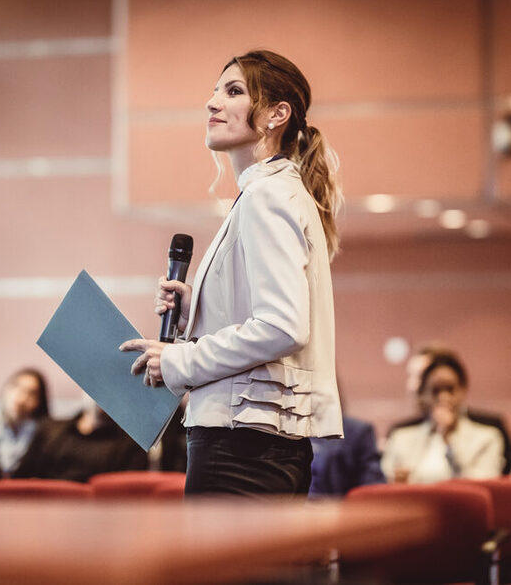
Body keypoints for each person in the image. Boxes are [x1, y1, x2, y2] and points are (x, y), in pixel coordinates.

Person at [121, 49, 344, 497]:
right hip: (253, 442)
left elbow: (283, 326)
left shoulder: (267, 195)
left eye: (234, 91)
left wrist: (179, 360)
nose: (212, 102)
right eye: (215, 90)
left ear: (277, 114)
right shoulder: (273, 191)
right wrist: (196, 312)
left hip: (242, 445)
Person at [388, 344, 511, 474]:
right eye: (435, 390)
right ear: (424, 392)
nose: (444, 397)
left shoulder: (488, 435)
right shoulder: (401, 436)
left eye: (450, 389)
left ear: (462, 389)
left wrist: (448, 440)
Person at [25, 396, 147, 483]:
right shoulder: (49, 429)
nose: (104, 394)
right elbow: (23, 478)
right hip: (45, 509)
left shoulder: (133, 443)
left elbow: (127, 494)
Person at [0, 367, 51, 478]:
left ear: (39, 401)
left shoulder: (47, 436)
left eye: (31, 393)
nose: (21, 398)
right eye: (16, 387)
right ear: (6, 389)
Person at [309, 414, 384, 497]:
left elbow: (373, 484)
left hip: (335, 505)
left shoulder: (356, 430)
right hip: (295, 505)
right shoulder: (294, 429)